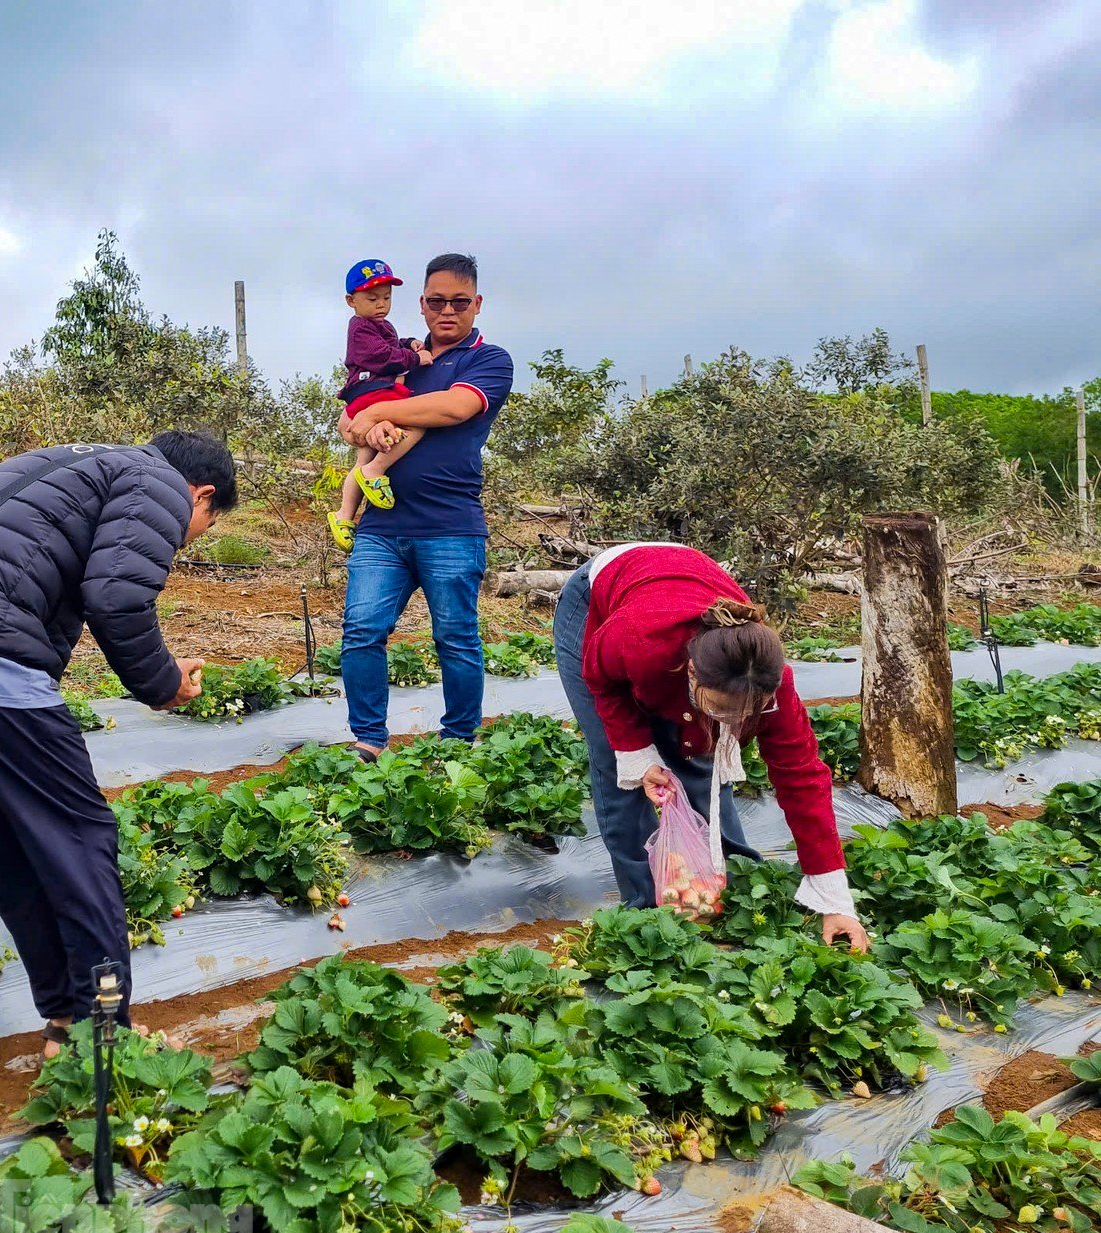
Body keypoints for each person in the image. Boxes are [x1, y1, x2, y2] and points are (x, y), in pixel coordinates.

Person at [0, 433, 233, 1057]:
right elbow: (118, 597)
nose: (186, 540)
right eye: (199, 526)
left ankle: (70, 1020)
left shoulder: (71, 461)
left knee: (12, 845)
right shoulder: (157, 483)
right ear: (201, 495)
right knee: (80, 837)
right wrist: (163, 683)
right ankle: (103, 1033)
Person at [552, 542, 871, 949]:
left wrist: (834, 897)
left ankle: (731, 887)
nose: (731, 724)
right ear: (690, 673)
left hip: (676, 586)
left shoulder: (772, 685)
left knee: (701, 758)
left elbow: (802, 777)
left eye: (742, 715)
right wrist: (637, 753)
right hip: (597, 598)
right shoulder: (638, 642)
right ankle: (648, 914)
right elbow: (601, 679)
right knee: (621, 772)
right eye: (719, 708)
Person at [335, 253, 514, 758]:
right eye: (436, 302)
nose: (447, 312)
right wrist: (358, 420)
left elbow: (454, 407)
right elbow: (350, 420)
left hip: (451, 526)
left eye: (459, 302)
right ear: (422, 304)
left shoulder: (488, 360)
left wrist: (379, 410)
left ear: (477, 304)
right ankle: (368, 739)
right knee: (362, 630)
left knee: (455, 636)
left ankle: (458, 739)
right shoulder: (399, 356)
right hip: (381, 527)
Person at [327, 259, 434, 553]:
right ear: (351, 301)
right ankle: (377, 470)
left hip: (369, 394)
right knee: (417, 423)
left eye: (386, 297)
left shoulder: (377, 325)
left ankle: (344, 516)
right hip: (372, 390)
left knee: (362, 456)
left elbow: (390, 343)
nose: (381, 304)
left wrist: (409, 342)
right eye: (372, 299)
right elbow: (381, 357)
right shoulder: (359, 328)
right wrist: (415, 358)